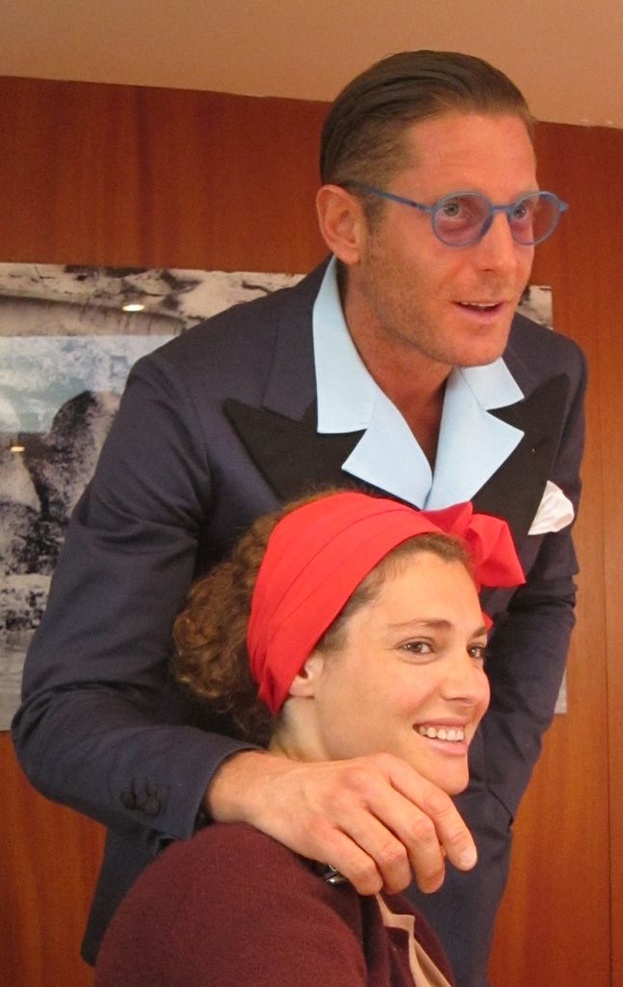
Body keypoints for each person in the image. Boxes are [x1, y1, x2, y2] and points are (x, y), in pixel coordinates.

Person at [12, 49, 587, 986]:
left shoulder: (552, 373)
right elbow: (64, 715)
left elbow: (543, 598)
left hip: (442, 900)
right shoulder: (190, 395)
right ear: (345, 223)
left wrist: (477, 799)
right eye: (456, 214)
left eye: (523, 214)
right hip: (233, 905)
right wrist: (267, 788)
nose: (504, 260)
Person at [93, 490, 525, 986]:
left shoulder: (346, 884)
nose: (472, 689)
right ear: (300, 665)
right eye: (419, 646)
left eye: (475, 651)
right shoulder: (244, 893)